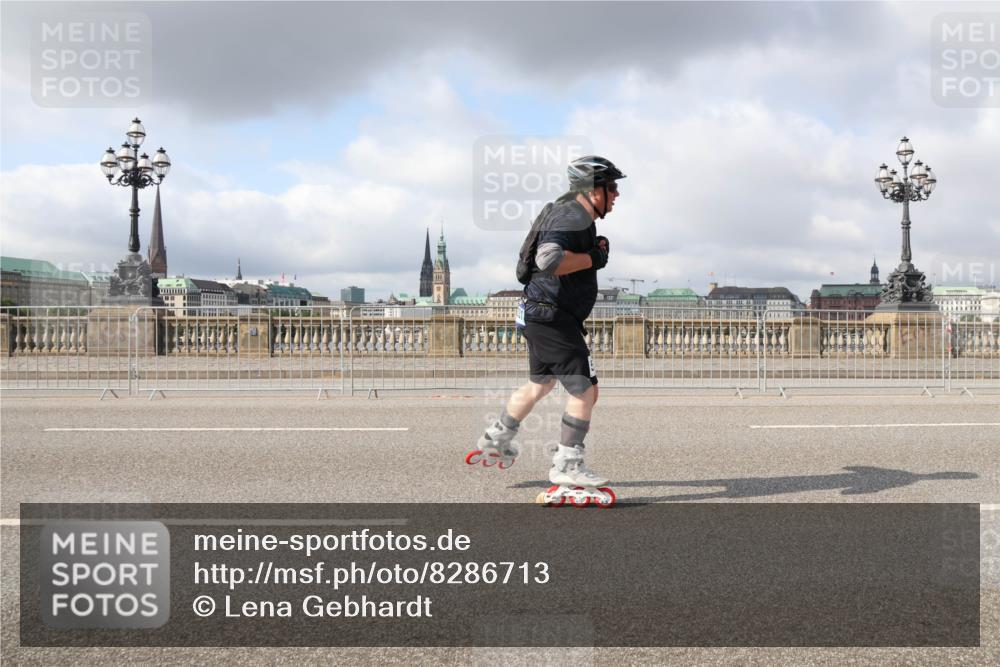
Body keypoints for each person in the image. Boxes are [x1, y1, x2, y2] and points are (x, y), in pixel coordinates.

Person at [468, 155, 625, 504]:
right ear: (592, 190)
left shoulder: (568, 211)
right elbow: (549, 260)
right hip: (553, 316)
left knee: (541, 382)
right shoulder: (573, 213)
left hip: (539, 313)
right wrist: (593, 259)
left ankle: (498, 438)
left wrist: (591, 251)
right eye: (611, 187)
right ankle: (568, 464)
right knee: (585, 390)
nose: (616, 194)